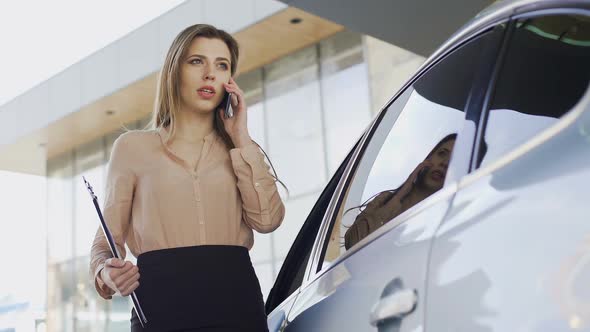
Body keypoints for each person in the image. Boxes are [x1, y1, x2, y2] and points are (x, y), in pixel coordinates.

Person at [89, 24, 286, 331]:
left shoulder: (241, 150)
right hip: (159, 308)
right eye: (197, 61)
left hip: (237, 304)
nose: (210, 74)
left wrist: (241, 138)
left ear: (229, 80)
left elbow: (268, 221)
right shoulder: (131, 148)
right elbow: (105, 243)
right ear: (174, 70)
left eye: (221, 65)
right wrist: (106, 272)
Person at [344, 134, 456, 250]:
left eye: (454, 159)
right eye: (442, 153)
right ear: (429, 158)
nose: (445, 163)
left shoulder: (450, 216)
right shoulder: (385, 200)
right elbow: (354, 243)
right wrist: (400, 195)